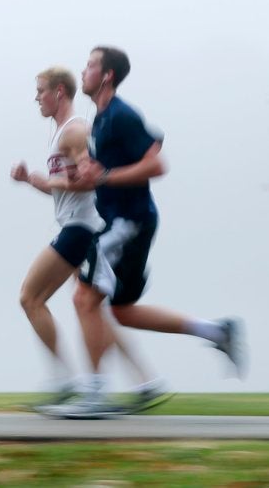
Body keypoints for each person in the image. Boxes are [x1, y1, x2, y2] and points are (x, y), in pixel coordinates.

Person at [58, 46, 246, 417]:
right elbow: (143, 148)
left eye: (90, 66)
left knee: (83, 298)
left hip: (127, 223)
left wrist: (108, 176)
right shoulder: (103, 119)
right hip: (125, 221)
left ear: (107, 75)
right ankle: (216, 332)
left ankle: (95, 395)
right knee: (122, 311)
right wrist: (87, 174)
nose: (83, 71)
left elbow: (157, 163)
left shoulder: (121, 114)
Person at [11, 66, 160, 408]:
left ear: (59, 92)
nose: (36, 97)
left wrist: (44, 181)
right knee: (94, 309)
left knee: (30, 297)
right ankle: (145, 381)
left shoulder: (75, 131)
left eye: (40, 90)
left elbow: (91, 180)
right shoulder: (61, 134)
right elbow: (66, 189)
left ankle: (67, 382)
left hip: (82, 228)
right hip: (78, 224)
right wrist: (34, 182)